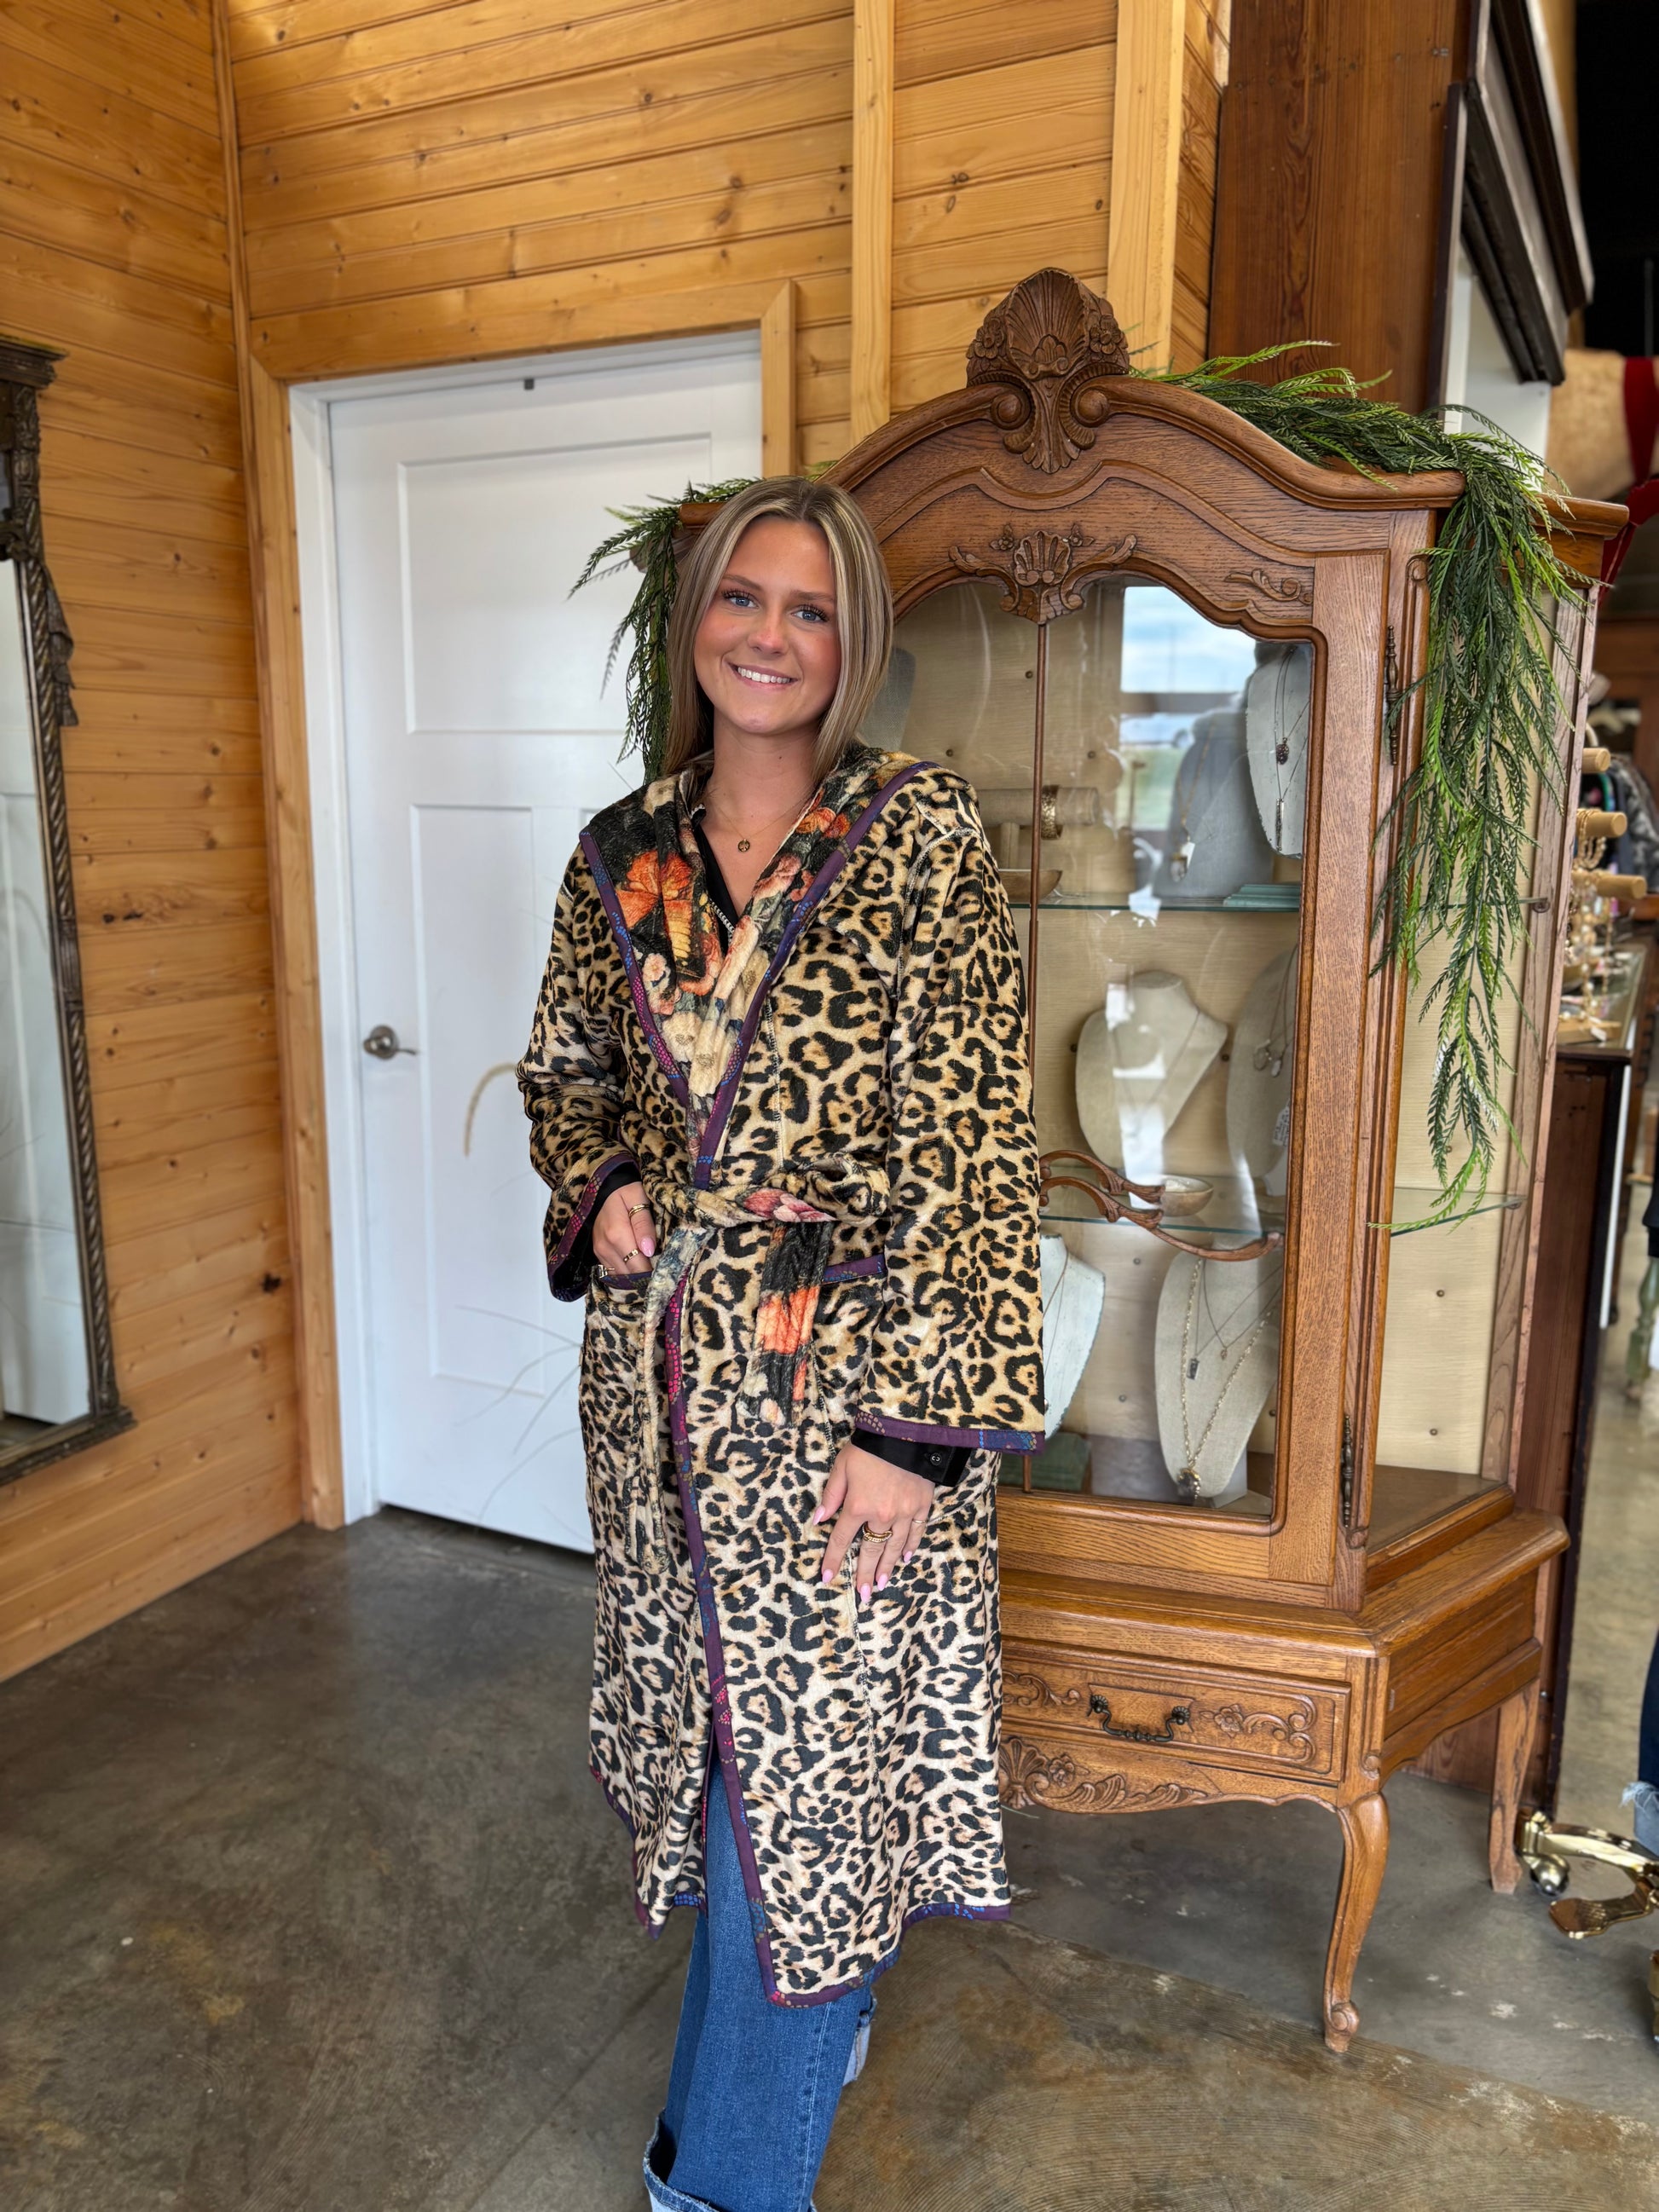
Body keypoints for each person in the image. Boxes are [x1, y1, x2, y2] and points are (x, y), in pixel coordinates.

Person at [517, 476, 1043, 2211]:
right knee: (731, 1771)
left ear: (851, 640)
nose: (768, 634)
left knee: (798, 1805)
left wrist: (912, 1432)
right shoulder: (621, 850)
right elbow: (564, 1073)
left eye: (808, 608)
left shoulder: (915, 832)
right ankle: (786, 2070)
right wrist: (600, 1185)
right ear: (696, 623)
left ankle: (725, 2182)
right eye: (741, 597)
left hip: (848, 1401)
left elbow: (973, 1144)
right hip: (664, 1399)